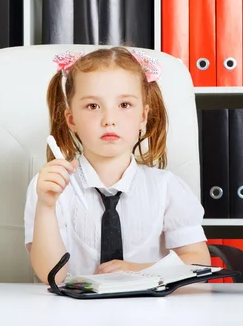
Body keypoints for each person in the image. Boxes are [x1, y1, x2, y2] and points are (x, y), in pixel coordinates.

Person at [24, 46, 210, 285]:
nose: (109, 120)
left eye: (124, 105)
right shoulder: (48, 189)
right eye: (93, 106)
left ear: (143, 117)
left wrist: (138, 270)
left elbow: (198, 262)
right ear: (72, 120)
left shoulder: (167, 188)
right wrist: (47, 206)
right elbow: (52, 275)